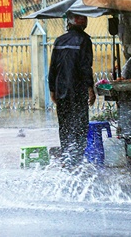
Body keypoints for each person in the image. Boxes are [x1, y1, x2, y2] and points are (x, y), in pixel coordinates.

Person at [48, 12, 96, 168]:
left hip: (61, 91)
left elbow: (53, 68)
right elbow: (85, 66)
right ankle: (77, 158)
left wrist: (52, 90)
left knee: (65, 125)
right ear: (83, 23)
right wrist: (90, 88)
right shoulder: (85, 41)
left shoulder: (59, 41)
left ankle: (66, 156)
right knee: (80, 125)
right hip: (78, 91)